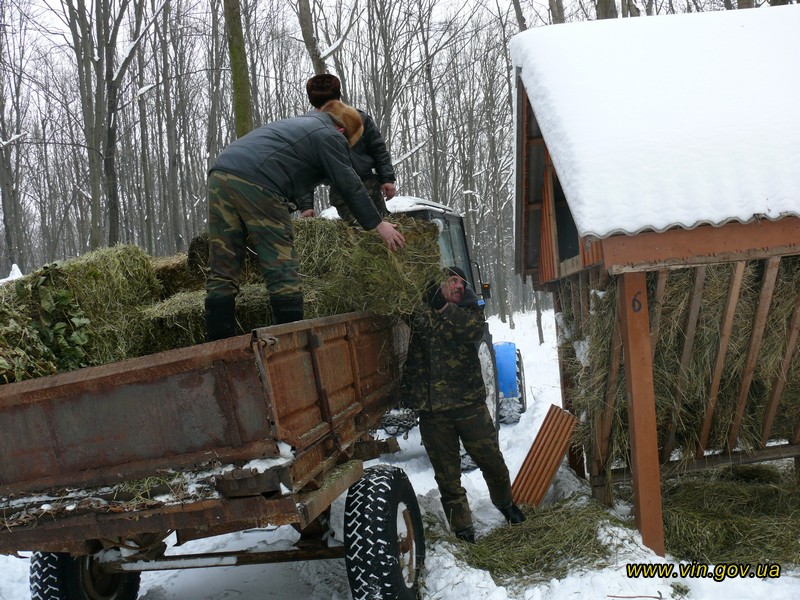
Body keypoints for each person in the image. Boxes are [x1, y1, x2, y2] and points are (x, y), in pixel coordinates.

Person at [204, 100, 405, 341]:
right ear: (343, 131)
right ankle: (290, 340)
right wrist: (378, 224)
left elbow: (289, 167)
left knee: (223, 263)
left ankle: (217, 344)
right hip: (259, 182)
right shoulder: (330, 136)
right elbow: (349, 183)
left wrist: (302, 205)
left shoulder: (302, 125)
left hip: (221, 172)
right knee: (281, 265)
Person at [401, 266, 525, 543]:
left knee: (492, 462)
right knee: (447, 478)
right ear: (438, 283)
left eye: (461, 282)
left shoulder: (469, 312)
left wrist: (444, 306)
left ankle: (506, 504)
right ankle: (463, 528)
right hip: (434, 413)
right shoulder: (421, 312)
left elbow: (472, 333)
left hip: (469, 406)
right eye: (452, 280)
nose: (458, 285)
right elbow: (401, 307)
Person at [299, 74, 397, 224]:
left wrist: (387, 178)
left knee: (384, 225)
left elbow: (378, 149)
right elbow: (305, 167)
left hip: (368, 184)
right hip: (341, 190)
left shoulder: (358, 118)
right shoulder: (309, 128)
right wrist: (306, 205)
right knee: (358, 232)